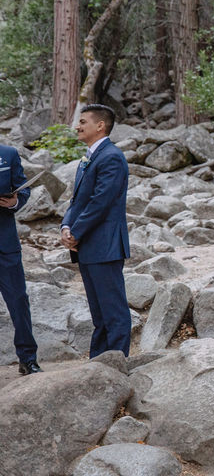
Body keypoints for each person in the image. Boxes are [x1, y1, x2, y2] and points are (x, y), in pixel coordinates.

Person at [61, 104, 131, 357]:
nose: (77, 127)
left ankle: (117, 364)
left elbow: (101, 201)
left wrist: (76, 232)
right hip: (88, 245)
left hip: (105, 244)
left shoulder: (112, 156)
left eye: (82, 122)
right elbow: (77, 200)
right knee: (98, 313)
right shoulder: (88, 158)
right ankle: (99, 362)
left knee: (113, 311)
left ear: (100, 125)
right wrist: (67, 226)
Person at [1, 143, 41, 374]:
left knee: (18, 301)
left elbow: (23, 190)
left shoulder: (8, 154)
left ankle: (28, 359)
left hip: (5, 245)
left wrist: (14, 202)